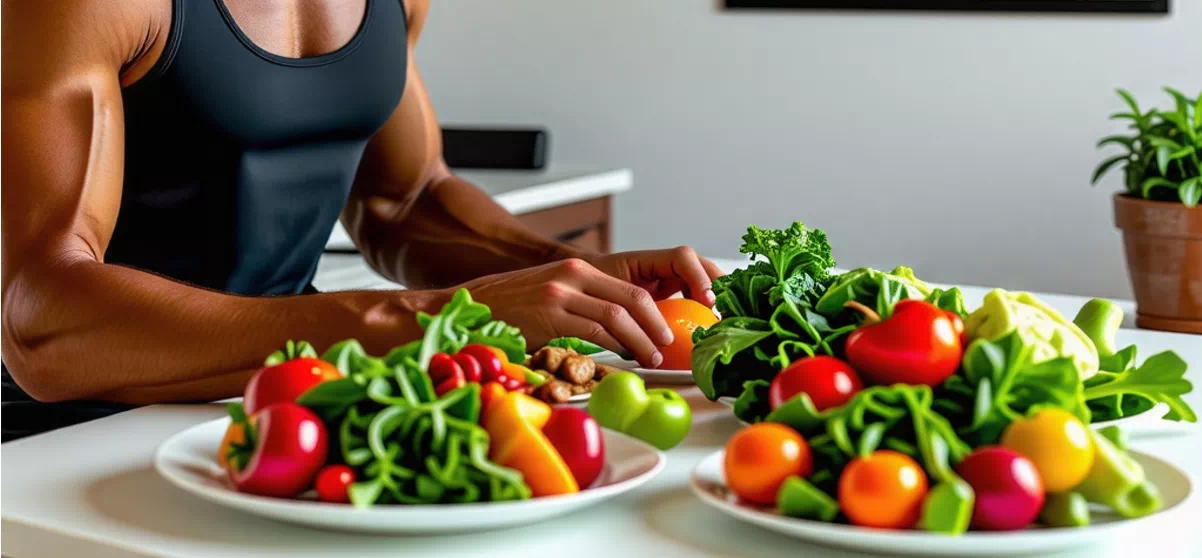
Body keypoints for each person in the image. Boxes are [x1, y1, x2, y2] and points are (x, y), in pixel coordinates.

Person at [0, 0, 722, 441]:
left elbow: (402, 202)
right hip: (74, 429)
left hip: (298, 394)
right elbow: (41, 317)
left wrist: (574, 280)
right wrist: (413, 319)